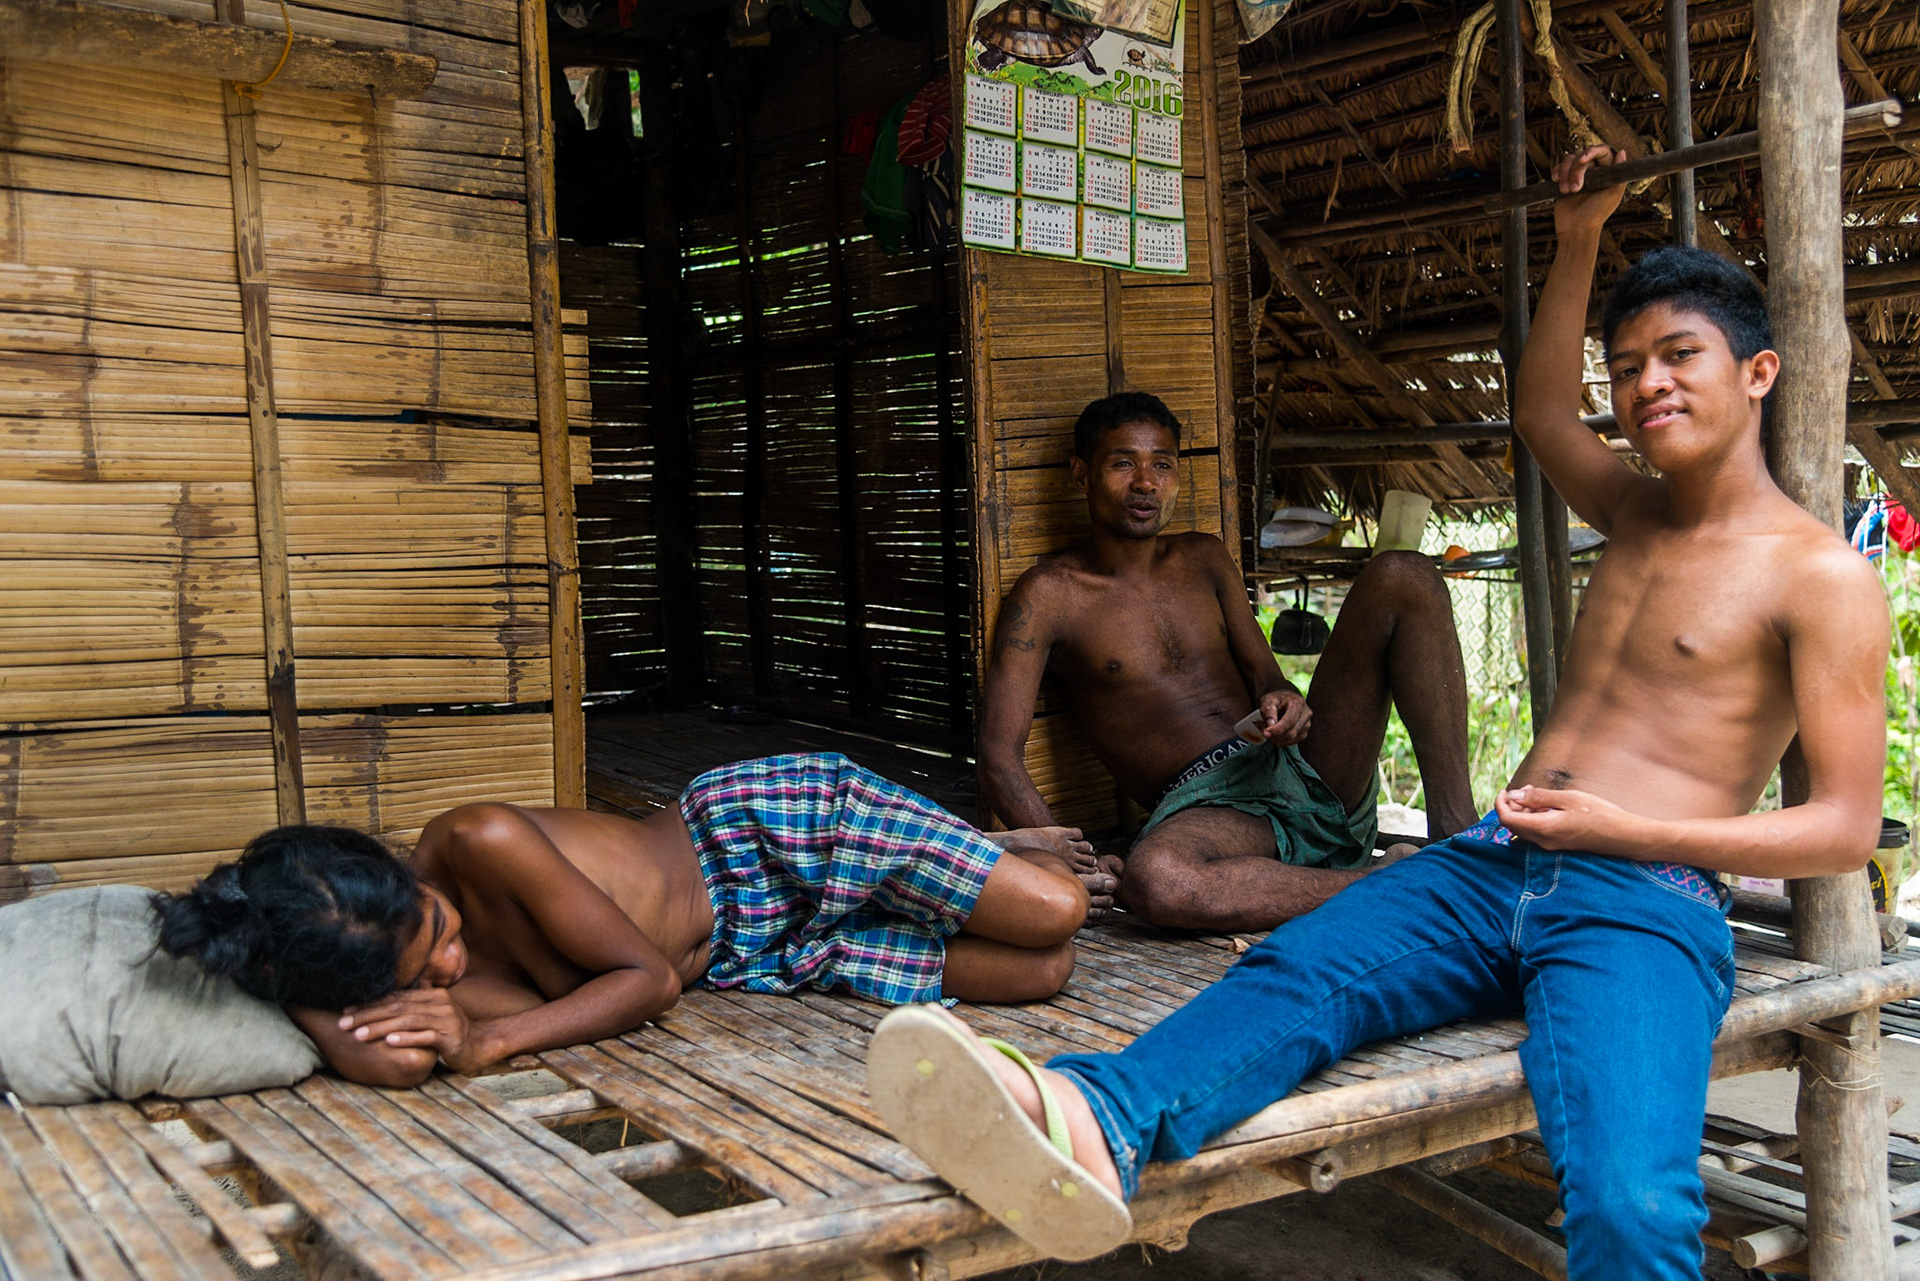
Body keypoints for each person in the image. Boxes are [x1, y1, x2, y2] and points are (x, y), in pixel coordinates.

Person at [866, 146, 1891, 1280]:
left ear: (1758, 371)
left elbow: (1844, 827)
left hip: (1642, 900)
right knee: (1295, 977)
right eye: (1628, 365)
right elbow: (1541, 409)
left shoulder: (1821, 579)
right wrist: (1578, 237)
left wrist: (1625, 829)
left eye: (1680, 356)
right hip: (1492, 864)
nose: (1648, 384)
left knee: (1633, 1204)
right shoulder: (1631, 509)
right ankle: (1093, 1122)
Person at [153, 753, 1104, 1088]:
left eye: (436, 923)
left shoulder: (478, 837)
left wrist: (489, 1040)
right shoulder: (390, 975)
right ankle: (958, 860)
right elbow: (390, 1059)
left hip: (764, 834)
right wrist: (301, 992)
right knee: (1042, 970)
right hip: (754, 948)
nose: (449, 961)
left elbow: (646, 981)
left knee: (1058, 908)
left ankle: (987, 845)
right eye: (421, 971)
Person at [977, 390, 1477, 931]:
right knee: (1158, 879)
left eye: (1162, 465)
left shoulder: (1205, 558)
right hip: (1213, 812)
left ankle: (1458, 837)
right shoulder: (1050, 596)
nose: (1145, 483)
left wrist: (1285, 701)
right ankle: (1388, 882)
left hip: (1301, 766)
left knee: (1405, 574)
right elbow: (999, 756)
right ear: (1082, 473)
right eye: (1123, 464)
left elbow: (1268, 678)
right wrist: (1072, 860)